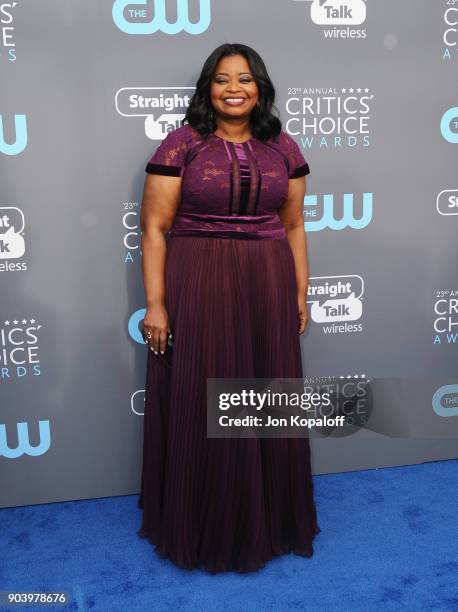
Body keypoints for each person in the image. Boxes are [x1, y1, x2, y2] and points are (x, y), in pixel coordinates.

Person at [137, 42, 320, 574]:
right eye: (222, 79)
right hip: (200, 276)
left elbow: (294, 225)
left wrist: (301, 292)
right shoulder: (182, 145)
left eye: (244, 78)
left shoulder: (282, 145)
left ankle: (270, 518)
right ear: (207, 88)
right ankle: (203, 520)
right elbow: (154, 228)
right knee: (206, 391)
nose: (234, 88)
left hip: (267, 277)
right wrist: (156, 305)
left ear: (260, 86)